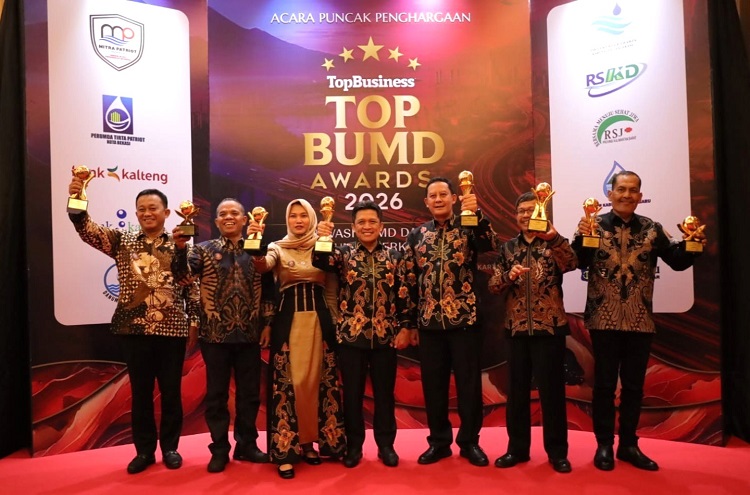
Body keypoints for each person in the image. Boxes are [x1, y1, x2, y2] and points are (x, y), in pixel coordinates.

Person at [572, 171, 704, 472]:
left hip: (639, 319)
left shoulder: (651, 228)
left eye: (633, 190)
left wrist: (692, 244)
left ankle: (629, 445)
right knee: (604, 386)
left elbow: (677, 261)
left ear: (640, 196)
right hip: (603, 319)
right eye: (621, 189)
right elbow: (577, 261)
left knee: (634, 387)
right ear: (610, 194)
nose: (627, 195)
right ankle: (604, 445)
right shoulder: (593, 225)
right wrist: (582, 238)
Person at [67, 181, 198, 474]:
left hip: (172, 330)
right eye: (141, 209)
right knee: (140, 394)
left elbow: (192, 287)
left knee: (171, 393)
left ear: (166, 212)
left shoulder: (182, 244)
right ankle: (144, 452)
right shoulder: (122, 241)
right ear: (136, 213)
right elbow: (87, 230)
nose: (147, 213)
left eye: (153, 208)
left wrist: (194, 322)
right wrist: (77, 199)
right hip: (133, 330)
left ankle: (171, 448)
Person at [172, 198, 274, 473]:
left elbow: (268, 289)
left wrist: (267, 323)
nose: (229, 217)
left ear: (244, 220)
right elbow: (182, 278)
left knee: (249, 395)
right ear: (216, 221)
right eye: (223, 214)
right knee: (216, 396)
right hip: (215, 336)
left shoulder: (258, 250)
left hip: (250, 335)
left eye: (234, 213)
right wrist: (180, 249)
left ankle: (247, 445)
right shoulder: (203, 250)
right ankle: (219, 449)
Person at [402, 176, 498, 467]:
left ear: (454, 198)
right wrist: (409, 322)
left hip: (464, 320)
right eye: (433, 196)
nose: (438, 199)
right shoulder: (417, 235)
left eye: (443, 194)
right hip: (429, 323)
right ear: (426, 202)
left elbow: (490, 244)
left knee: (469, 386)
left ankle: (469, 442)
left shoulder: (468, 225)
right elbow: (409, 281)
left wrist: (476, 214)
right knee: (433, 387)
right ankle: (439, 442)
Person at [312, 200, 413, 468]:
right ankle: (354, 446)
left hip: (386, 336)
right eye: (361, 222)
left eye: (372, 222)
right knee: (353, 396)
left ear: (381, 226)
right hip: (350, 337)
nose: (367, 226)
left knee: (384, 395)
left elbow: (403, 294)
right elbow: (319, 261)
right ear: (353, 227)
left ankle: (386, 446)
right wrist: (323, 237)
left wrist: (405, 326)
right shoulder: (343, 254)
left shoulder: (395, 256)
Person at [250, 198, 345, 479]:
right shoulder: (277, 247)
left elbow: (331, 289)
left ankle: (309, 444)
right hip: (288, 323)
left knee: (317, 383)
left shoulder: (323, 244)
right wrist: (255, 241)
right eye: (293, 216)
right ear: (287, 219)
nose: (299, 220)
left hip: (320, 322)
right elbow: (262, 267)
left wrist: (335, 324)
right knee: (289, 385)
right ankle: (285, 451)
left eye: (304, 215)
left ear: (312, 218)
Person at [488, 191, 577, 473]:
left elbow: (572, 263)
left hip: (549, 328)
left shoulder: (553, 242)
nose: (526, 215)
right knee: (516, 394)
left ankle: (557, 453)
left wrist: (554, 237)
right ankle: (517, 450)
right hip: (516, 329)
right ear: (515, 216)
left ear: (541, 212)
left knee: (552, 393)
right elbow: (493, 285)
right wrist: (508, 275)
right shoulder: (508, 248)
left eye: (531, 210)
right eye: (521, 211)